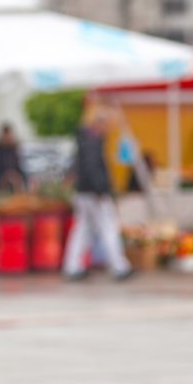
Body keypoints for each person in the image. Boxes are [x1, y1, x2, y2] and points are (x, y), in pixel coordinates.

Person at [62, 105, 133, 281]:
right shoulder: (93, 141)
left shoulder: (84, 139)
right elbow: (93, 168)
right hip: (95, 193)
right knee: (107, 227)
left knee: (82, 229)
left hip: (83, 192)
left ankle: (72, 266)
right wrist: (101, 190)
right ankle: (119, 267)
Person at [0, 122, 25, 193]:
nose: (8, 137)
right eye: (6, 135)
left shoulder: (14, 151)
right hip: (0, 189)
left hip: (15, 188)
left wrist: (17, 177)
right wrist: (6, 177)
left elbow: (20, 169)